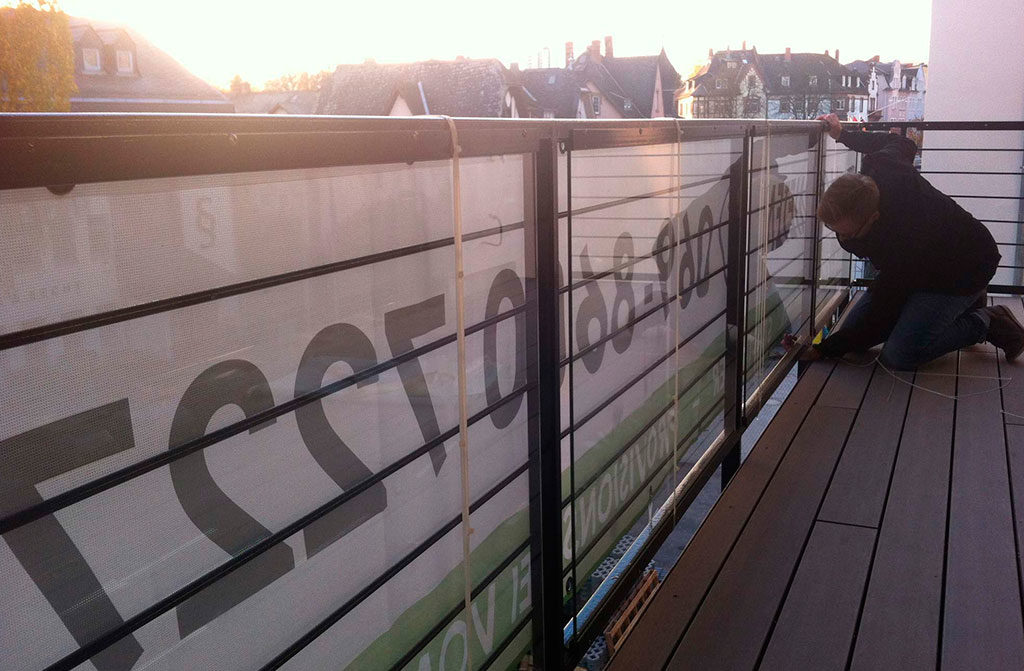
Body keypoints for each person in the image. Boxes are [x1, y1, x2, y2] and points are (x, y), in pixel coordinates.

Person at [799, 113, 1024, 369]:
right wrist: (842, 135)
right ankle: (965, 304)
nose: (843, 239)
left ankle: (988, 321)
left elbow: (885, 307)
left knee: (900, 354)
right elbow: (903, 143)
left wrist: (824, 349)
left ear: (874, 218)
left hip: (966, 266)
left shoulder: (902, 241)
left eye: (849, 234)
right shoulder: (882, 166)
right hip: (931, 260)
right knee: (856, 337)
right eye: (834, 230)